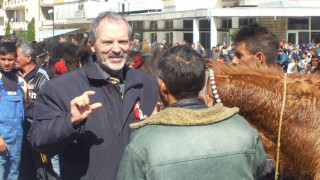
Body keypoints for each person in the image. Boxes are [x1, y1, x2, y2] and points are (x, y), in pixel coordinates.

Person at [27, 11, 159, 179]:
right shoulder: (60, 87)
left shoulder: (148, 83)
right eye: (108, 42)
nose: (117, 49)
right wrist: (70, 121)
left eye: (123, 42)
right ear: (92, 44)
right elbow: (38, 140)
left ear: (132, 43)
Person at [117, 45, 267, 180]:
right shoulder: (242, 128)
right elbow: (259, 168)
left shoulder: (143, 142)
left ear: (162, 85)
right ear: (202, 82)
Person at [15, 41, 57, 179]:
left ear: (28, 58)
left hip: (37, 134)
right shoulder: (14, 77)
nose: (14, 59)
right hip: (20, 135)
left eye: (17, 55)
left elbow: (47, 107)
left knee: (45, 173)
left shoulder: (41, 77)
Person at [0, 42, 33, 180]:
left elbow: (29, 109)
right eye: (2, 59)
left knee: (13, 174)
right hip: (1, 137)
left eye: (10, 59)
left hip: (17, 139)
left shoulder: (20, 81)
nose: (7, 63)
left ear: (15, 59)